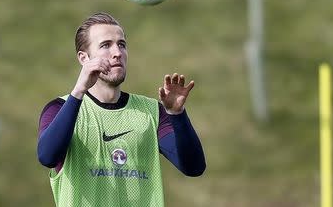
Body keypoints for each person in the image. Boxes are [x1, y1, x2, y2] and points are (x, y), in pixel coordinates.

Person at [37, 12, 206, 206]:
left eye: (122, 44)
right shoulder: (59, 108)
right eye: (105, 45)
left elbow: (194, 167)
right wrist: (78, 91)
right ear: (84, 58)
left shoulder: (152, 112)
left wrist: (177, 115)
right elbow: (47, 156)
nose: (117, 52)